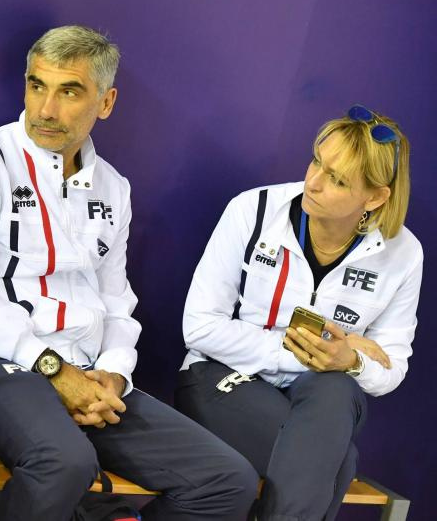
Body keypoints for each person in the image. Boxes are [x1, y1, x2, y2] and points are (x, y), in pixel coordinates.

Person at [0, 25, 257, 521]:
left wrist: (115, 373)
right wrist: (53, 369)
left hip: (88, 373)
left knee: (227, 480)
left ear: (106, 102)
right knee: (65, 462)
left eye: (69, 92)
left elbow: (116, 301)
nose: (45, 109)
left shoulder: (113, 187)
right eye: (37, 85)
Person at [174, 105, 422, 520]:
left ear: (376, 197)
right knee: (338, 461)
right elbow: (199, 328)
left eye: (337, 180)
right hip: (219, 379)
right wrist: (315, 352)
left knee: (338, 389)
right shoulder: (253, 210)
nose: (313, 182)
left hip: (320, 401)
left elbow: (390, 367)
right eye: (316, 161)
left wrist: (351, 362)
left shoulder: (404, 253)